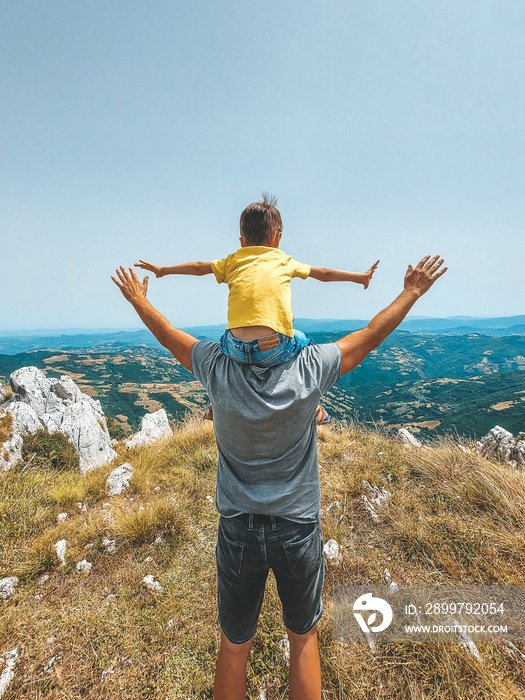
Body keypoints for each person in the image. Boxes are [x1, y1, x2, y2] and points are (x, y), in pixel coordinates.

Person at [112, 253, 446, 700]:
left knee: (233, 646)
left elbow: (168, 335)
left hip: (237, 530)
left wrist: (138, 299)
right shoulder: (308, 368)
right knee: (303, 638)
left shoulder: (216, 367)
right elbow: (369, 337)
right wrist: (412, 291)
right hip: (297, 526)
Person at [135, 194, 379, 423]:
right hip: (275, 347)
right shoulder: (284, 260)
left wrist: (163, 270)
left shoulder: (232, 260)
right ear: (278, 237)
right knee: (304, 342)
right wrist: (361, 277)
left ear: (242, 242)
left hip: (234, 348)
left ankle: (215, 404)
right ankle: (313, 407)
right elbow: (324, 274)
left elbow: (199, 267)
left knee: (220, 358)